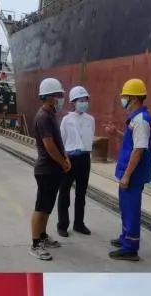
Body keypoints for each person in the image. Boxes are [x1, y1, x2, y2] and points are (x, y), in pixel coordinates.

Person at [109, 78, 151, 262]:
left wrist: (127, 175)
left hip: (133, 175)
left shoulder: (141, 120)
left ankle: (130, 248)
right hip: (129, 173)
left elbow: (139, 150)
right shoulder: (136, 118)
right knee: (125, 208)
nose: (123, 99)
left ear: (134, 98)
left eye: (125, 96)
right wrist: (116, 134)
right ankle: (125, 238)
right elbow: (134, 141)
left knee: (131, 210)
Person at [30, 77, 70, 262]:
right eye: (58, 95)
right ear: (49, 97)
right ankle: (35, 244)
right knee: (41, 207)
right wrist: (62, 162)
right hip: (46, 170)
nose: (61, 98)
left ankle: (43, 236)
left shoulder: (50, 114)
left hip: (53, 170)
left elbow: (58, 142)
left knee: (47, 207)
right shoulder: (43, 117)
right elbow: (49, 145)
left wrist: (64, 158)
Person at [56, 85, 94, 238]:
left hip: (85, 159)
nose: (84, 103)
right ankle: (62, 225)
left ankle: (79, 224)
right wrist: (63, 160)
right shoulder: (66, 120)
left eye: (85, 100)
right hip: (70, 159)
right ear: (73, 102)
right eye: (80, 100)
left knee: (81, 194)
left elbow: (90, 138)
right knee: (64, 192)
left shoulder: (90, 119)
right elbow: (61, 141)